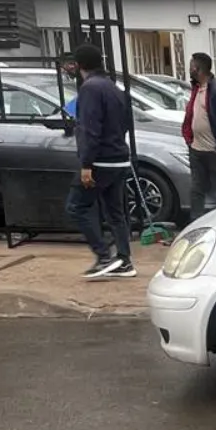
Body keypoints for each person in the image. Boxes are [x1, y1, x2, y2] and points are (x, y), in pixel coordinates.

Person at [65, 44, 135, 279]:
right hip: (118, 158)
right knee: (115, 212)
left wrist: (86, 164)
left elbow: (90, 129)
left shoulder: (90, 89)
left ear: (79, 65)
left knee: (76, 206)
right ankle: (124, 260)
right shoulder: (114, 88)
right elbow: (125, 122)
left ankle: (104, 256)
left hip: (100, 161)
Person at [181, 52, 216, 213]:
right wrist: (189, 140)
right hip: (197, 149)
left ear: (197, 69)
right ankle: (196, 221)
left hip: (214, 150)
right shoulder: (196, 88)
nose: (189, 69)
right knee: (197, 189)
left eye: (191, 66)